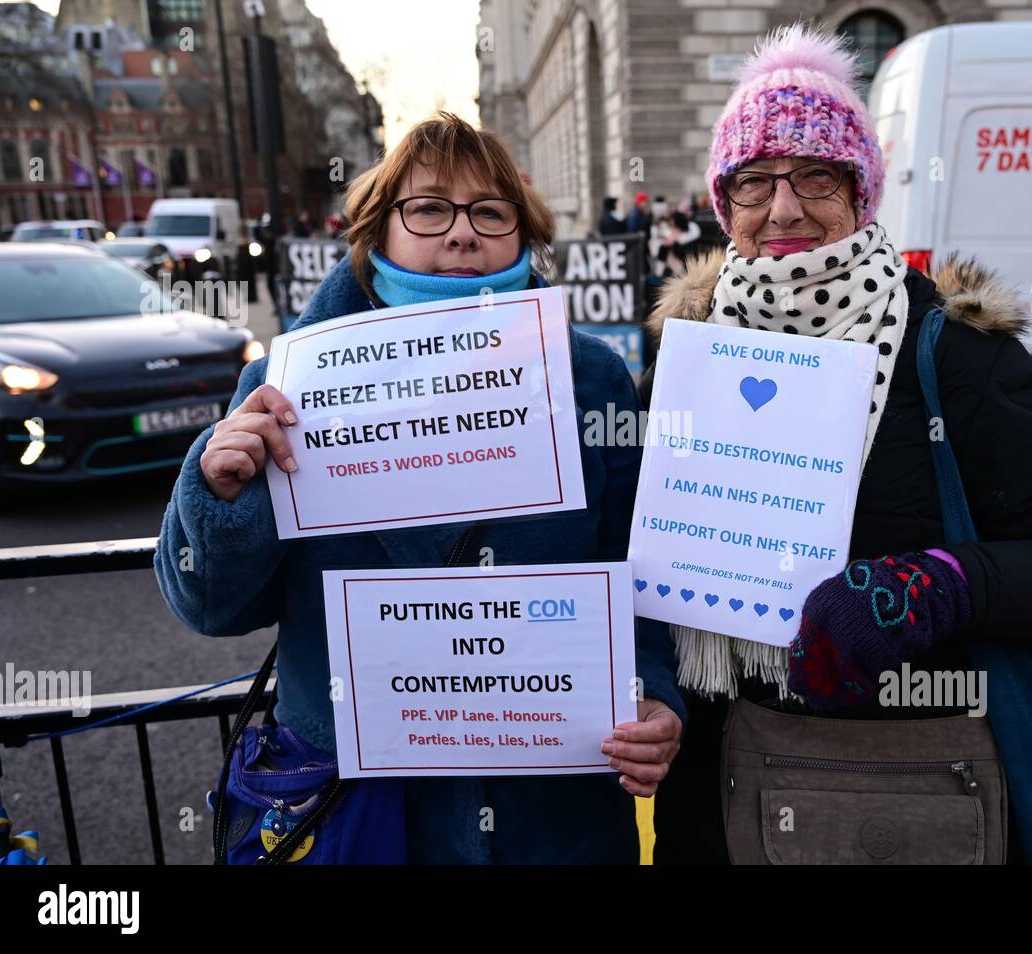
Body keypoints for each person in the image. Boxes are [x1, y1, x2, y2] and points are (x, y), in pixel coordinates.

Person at [639, 23, 1032, 865]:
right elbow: (635, 563)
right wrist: (652, 691)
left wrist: (933, 583)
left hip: (914, 789)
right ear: (724, 204)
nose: (782, 209)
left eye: (815, 177)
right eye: (752, 182)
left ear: (862, 194)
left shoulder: (957, 354)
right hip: (721, 800)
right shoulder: (687, 355)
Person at [155, 111, 685, 864]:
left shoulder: (592, 377)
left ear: (521, 234)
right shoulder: (282, 385)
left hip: (548, 805)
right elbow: (211, 608)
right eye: (429, 208)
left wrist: (653, 692)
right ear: (379, 230)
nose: (462, 233)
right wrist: (218, 489)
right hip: (360, 807)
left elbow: (637, 572)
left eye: (490, 212)